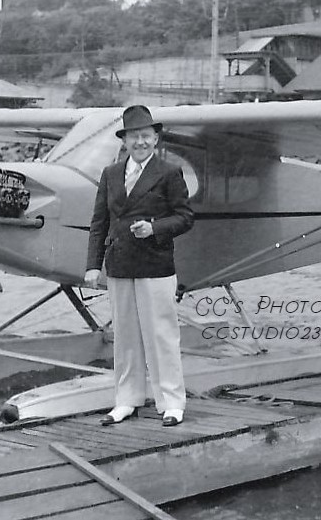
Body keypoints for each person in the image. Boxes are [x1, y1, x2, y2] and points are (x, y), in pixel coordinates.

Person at [84, 105, 194, 427]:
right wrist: (93, 266)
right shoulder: (110, 174)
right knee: (126, 337)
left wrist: (154, 228)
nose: (141, 143)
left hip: (155, 265)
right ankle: (127, 400)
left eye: (146, 136)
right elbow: (98, 223)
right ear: (125, 140)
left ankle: (171, 402)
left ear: (156, 138)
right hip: (119, 266)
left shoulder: (169, 173)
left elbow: (185, 217)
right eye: (135, 137)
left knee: (161, 335)